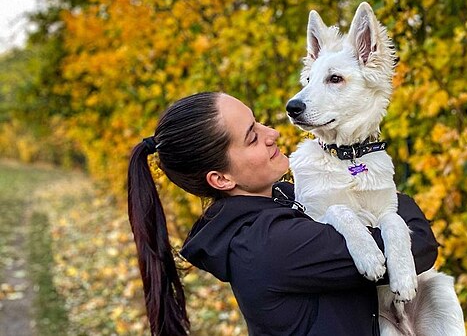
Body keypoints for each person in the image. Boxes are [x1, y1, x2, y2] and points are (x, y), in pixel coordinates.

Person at [127, 91, 439, 336]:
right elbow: (418, 247)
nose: (272, 133)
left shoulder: (284, 199)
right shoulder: (269, 243)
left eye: (258, 121)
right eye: (252, 137)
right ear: (221, 179)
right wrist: (382, 190)